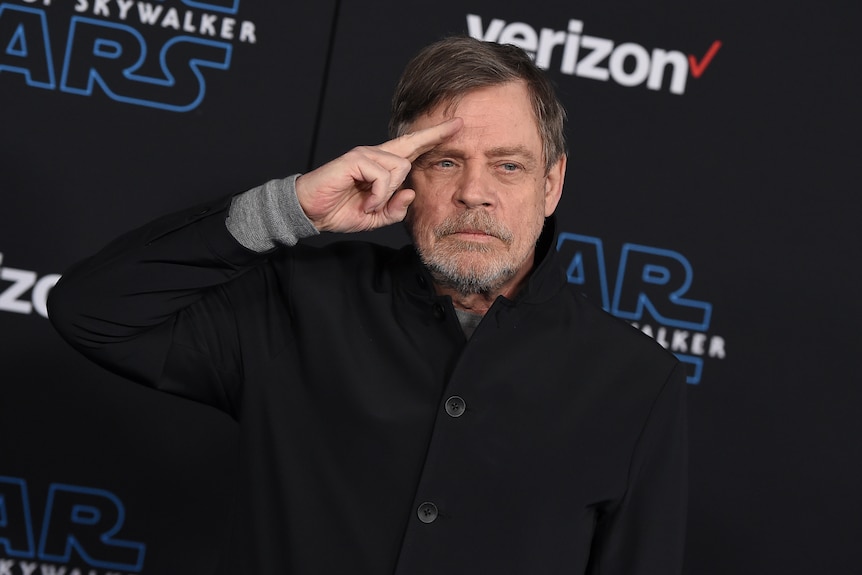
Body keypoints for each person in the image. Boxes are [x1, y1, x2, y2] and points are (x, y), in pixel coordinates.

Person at [49, 36, 687, 575]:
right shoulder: (299, 301)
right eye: (444, 161)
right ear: (403, 172)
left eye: (509, 166)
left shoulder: (636, 380)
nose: (475, 193)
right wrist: (289, 208)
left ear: (552, 185)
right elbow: (90, 310)